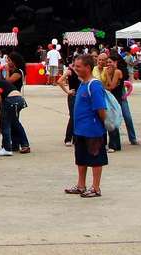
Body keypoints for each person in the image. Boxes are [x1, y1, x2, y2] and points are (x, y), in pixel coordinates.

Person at [65, 54, 108, 198]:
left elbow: (101, 109)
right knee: (81, 158)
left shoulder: (94, 85)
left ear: (88, 67)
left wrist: (101, 123)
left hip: (93, 130)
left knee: (96, 159)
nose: (75, 69)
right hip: (80, 130)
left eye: (78, 66)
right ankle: (81, 185)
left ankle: (96, 187)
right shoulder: (82, 84)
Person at [0, 52, 30, 155]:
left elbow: (7, 82)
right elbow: (2, 82)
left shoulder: (19, 71)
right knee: (13, 122)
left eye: (9, 60)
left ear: (14, 61)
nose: (8, 62)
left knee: (15, 123)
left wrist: (7, 71)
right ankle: (15, 144)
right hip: (9, 98)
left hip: (14, 98)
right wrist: (1, 72)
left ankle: (25, 144)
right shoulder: (15, 71)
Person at [104, 54, 125, 152]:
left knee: (112, 121)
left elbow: (111, 86)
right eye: (107, 62)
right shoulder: (113, 72)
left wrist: (107, 74)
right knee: (112, 121)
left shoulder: (117, 72)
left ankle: (113, 145)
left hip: (116, 99)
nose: (108, 64)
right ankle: (115, 144)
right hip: (112, 98)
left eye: (110, 62)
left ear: (115, 62)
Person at [57, 60, 80, 147]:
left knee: (78, 116)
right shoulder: (70, 71)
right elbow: (59, 81)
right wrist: (67, 91)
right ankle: (68, 138)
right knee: (73, 117)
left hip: (81, 95)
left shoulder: (82, 71)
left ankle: (76, 137)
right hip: (73, 95)